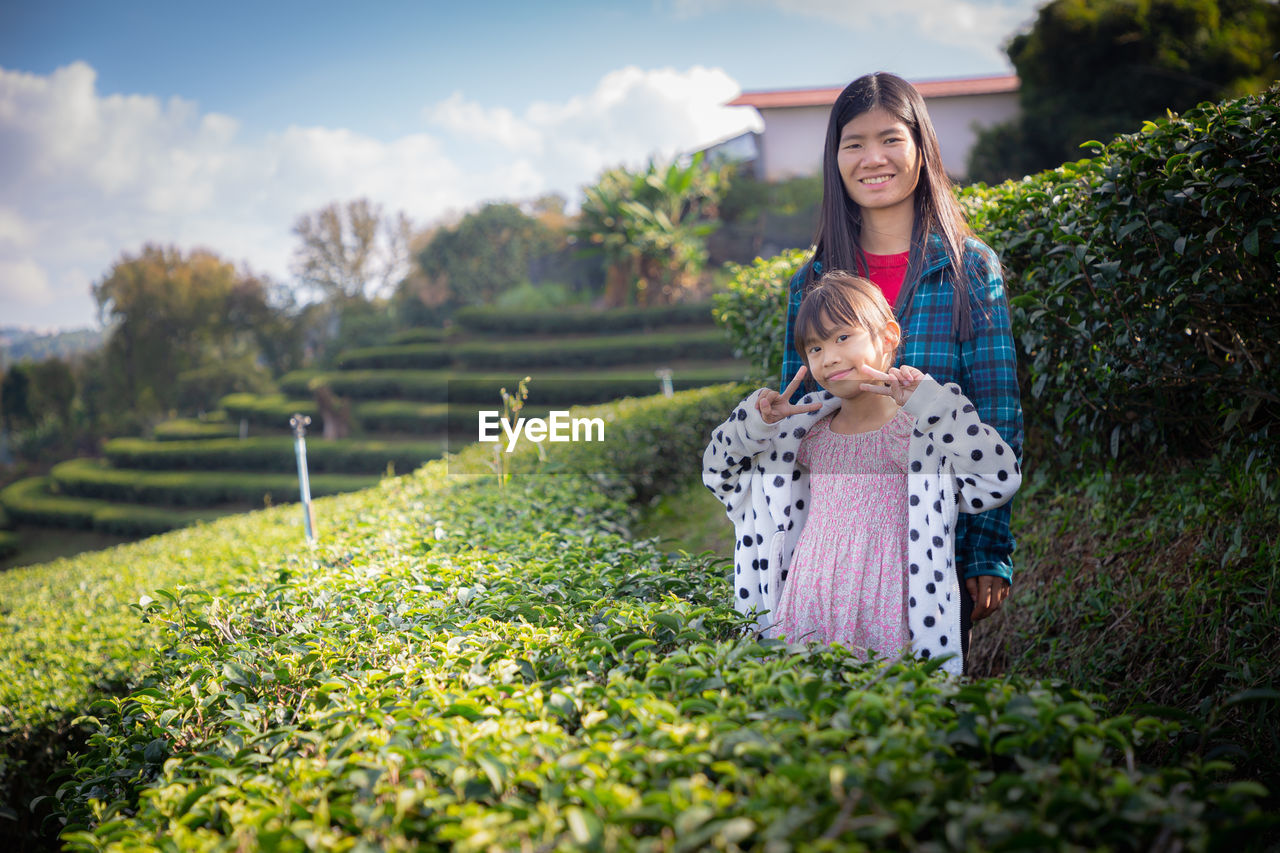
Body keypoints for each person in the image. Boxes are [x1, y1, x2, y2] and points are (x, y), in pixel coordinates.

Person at [779, 71, 1023, 663]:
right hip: (833, 560)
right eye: (853, 143)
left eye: (890, 139)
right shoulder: (811, 283)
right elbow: (798, 426)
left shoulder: (970, 269)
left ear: (921, 148)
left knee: (923, 727)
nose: (873, 159)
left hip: (936, 550)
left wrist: (986, 550)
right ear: (835, 158)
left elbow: (997, 416)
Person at [703, 272, 1020, 675]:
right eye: (815, 347)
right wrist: (754, 424)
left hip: (889, 599)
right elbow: (719, 472)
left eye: (841, 338)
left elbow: (1000, 478)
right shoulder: (805, 434)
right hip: (810, 595)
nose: (828, 357)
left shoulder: (918, 429)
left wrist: (930, 403)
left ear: (888, 337)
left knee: (887, 716)